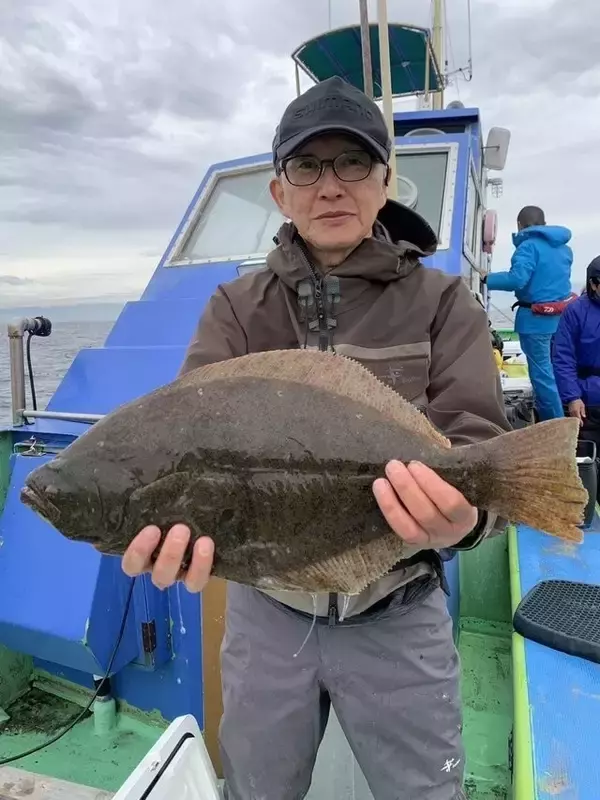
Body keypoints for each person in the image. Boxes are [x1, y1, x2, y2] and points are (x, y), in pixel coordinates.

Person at [121, 75, 511, 800]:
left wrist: (468, 519)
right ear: (280, 191)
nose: (330, 185)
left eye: (353, 163)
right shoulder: (236, 309)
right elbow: (189, 447)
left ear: (386, 182)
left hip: (399, 608)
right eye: (307, 166)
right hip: (268, 616)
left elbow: (478, 448)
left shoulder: (443, 302)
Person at [484, 206, 573, 421]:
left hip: (536, 322)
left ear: (519, 225)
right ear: (544, 223)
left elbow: (517, 279)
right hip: (561, 319)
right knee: (559, 369)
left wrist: (487, 278)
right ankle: (567, 416)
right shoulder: (564, 249)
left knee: (542, 376)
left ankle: (557, 426)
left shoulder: (528, 247)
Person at [553, 256, 600, 471]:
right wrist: (572, 397)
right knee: (588, 463)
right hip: (587, 402)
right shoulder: (575, 311)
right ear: (593, 284)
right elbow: (563, 357)